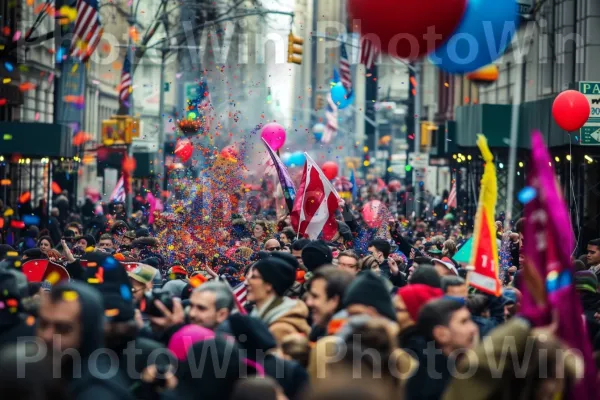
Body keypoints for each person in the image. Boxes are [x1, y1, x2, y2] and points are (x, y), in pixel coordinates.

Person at [36, 282, 134, 399]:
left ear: (87, 332)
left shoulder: (98, 392)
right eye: (43, 324)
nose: (47, 336)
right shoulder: (54, 371)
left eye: (63, 329)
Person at [406, 298, 479, 400]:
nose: (473, 328)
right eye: (464, 322)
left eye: (470, 320)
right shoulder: (434, 388)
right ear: (441, 334)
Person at [246, 256, 310, 343]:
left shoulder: (280, 330)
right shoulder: (261, 315)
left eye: (254, 277)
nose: (246, 282)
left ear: (269, 285)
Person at [305, 266, 354, 341]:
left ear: (334, 300)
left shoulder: (348, 344)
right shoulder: (318, 331)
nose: (309, 302)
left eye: (315, 296)